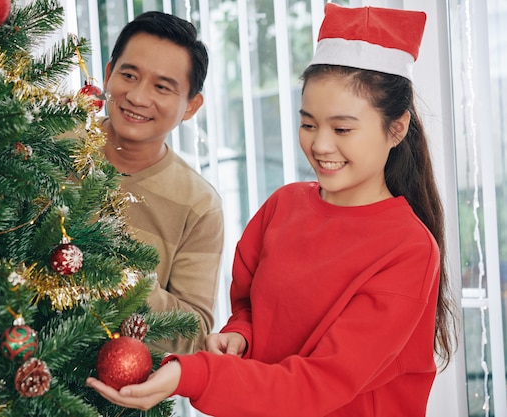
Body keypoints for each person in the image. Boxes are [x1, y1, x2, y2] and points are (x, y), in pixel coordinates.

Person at [86, 3, 459, 416]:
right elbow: (251, 305)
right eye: (309, 124)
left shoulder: (408, 249)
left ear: (397, 127)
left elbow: (318, 383)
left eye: (342, 129)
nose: (319, 145)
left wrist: (191, 374)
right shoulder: (283, 205)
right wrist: (241, 333)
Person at [99, 11, 223, 354]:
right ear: (109, 74)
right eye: (128, 75)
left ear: (190, 106)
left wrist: (124, 281)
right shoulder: (52, 142)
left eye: (162, 87)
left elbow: (194, 333)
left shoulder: (199, 204)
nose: (138, 97)